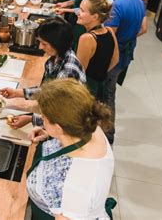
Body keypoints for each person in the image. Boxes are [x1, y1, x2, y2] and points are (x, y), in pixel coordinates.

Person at [26, 78, 115, 220]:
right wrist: (52, 136)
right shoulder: (88, 125)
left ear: (58, 127)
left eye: (44, 119)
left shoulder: (77, 185)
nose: (42, 120)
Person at [0, 18, 86, 128]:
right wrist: (17, 93)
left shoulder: (68, 70)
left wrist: (31, 119)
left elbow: (59, 111)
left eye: (44, 43)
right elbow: (48, 91)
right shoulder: (55, 58)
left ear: (57, 44)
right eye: (39, 42)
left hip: (66, 126)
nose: (40, 47)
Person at [103, 0, 147, 144]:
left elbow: (108, 36)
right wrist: (127, 36)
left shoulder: (118, 5)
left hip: (113, 56)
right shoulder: (138, 1)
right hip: (126, 54)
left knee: (107, 94)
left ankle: (107, 134)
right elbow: (144, 28)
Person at [77, 0, 119, 103]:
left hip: (86, 91)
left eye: (82, 10)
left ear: (95, 17)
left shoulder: (87, 38)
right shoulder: (110, 31)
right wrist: (99, 75)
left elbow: (78, 72)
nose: (78, 13)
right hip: (101, 87)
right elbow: (115, 60)